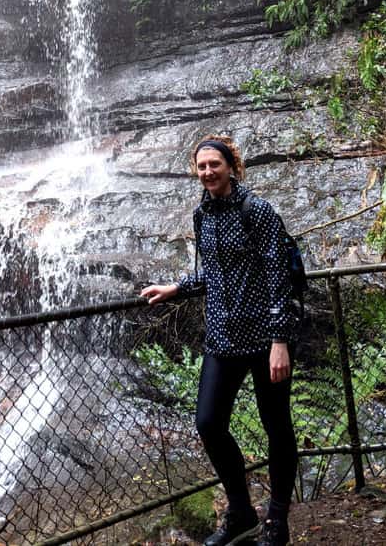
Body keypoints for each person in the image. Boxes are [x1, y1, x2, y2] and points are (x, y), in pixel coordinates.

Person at [141, 135, 297, 546]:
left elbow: (278, 275)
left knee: (276, 427)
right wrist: (177, 286)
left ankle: (277, 521)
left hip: (266, 337)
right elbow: (213, 272)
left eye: (215, 164)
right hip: (223, 336)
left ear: (232, 166)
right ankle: (242, 511)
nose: (208, 172)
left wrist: (280, 339)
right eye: (201, 166)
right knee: (209, 423)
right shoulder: (201, 215)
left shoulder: (257, 211)